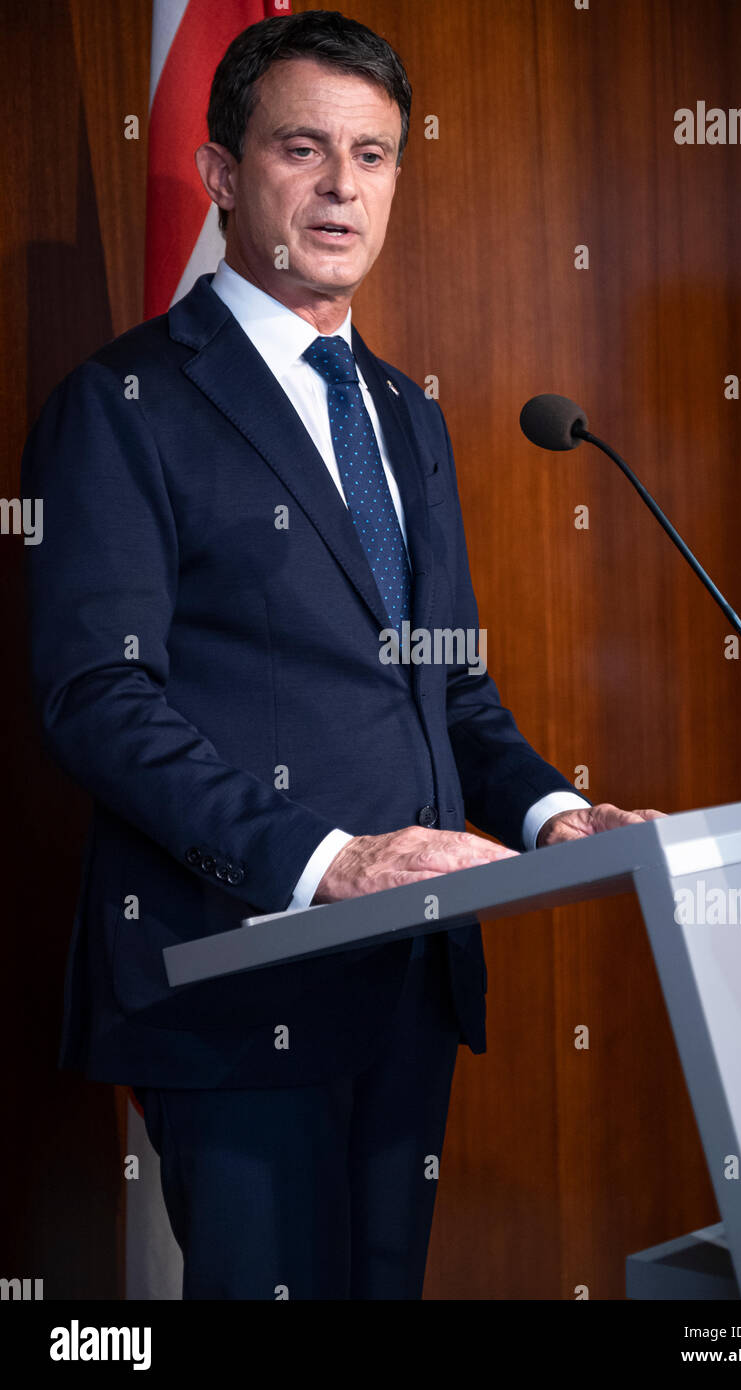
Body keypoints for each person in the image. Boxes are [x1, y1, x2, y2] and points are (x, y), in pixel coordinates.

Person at [22, 11, 660, 1299]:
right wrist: (326, 863)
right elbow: (97, 698)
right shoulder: (123, 402)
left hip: (409, 981)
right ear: (217, 175)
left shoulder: (407, 412)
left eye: (371, 156)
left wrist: (552, 812)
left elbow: (450, 684)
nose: (340, 188)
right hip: (230, 978)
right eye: (302, 149)